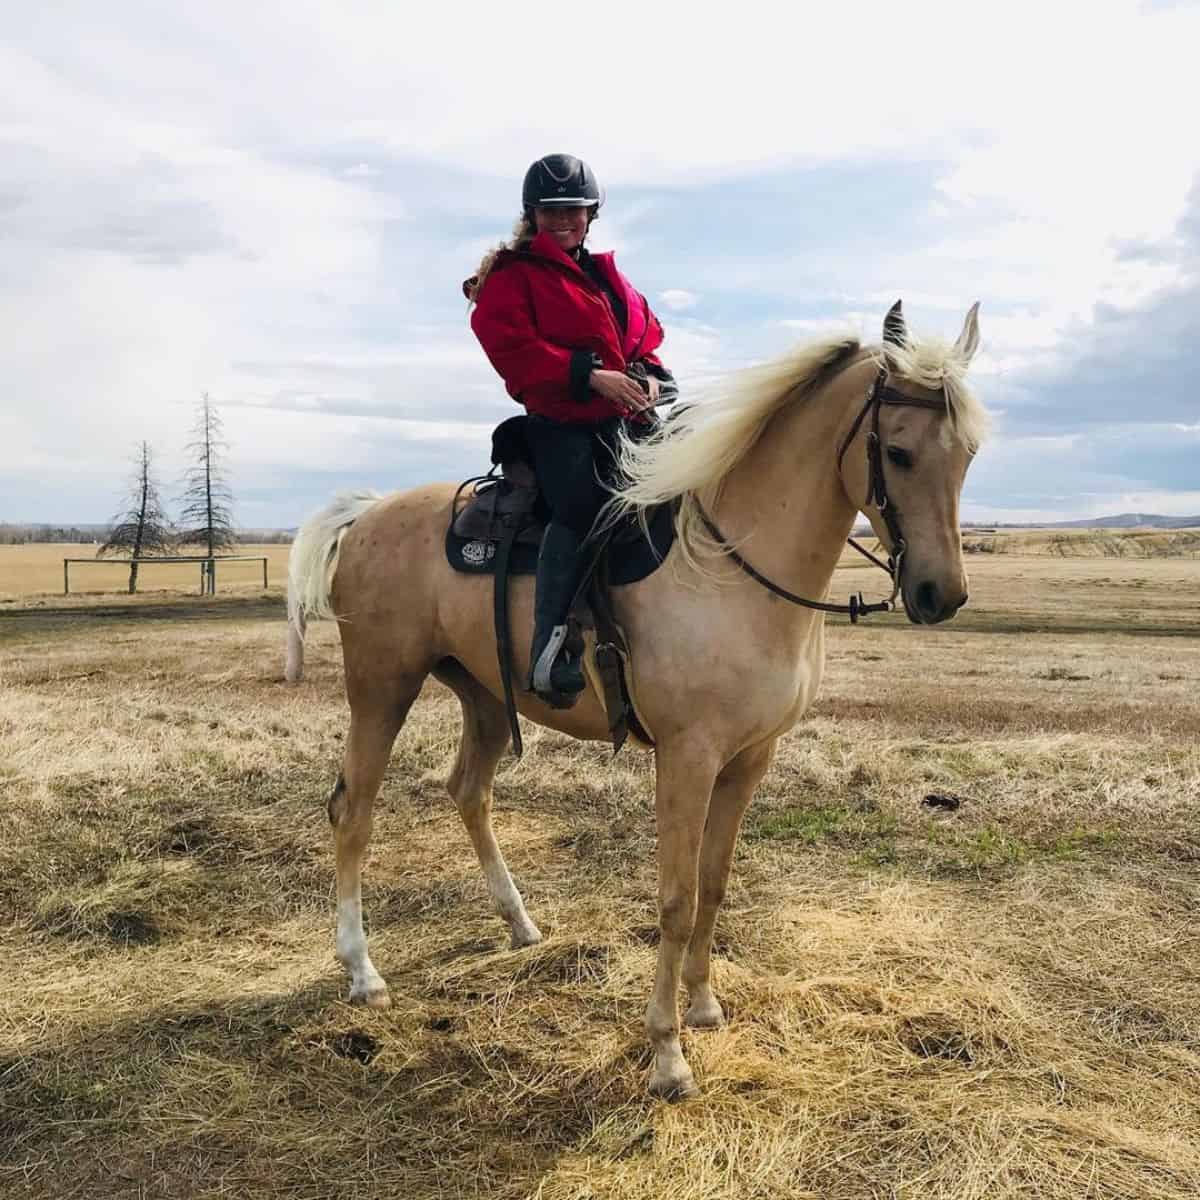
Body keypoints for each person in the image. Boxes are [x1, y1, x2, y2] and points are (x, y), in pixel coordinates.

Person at [465, 154, 677, 708]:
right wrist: (590, 377)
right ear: (533, 214)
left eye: (575, 210)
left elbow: (644, 341)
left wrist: (649, 379)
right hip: (561, 423)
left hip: (628, 418)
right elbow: (511, 348)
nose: (564, 220)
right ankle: (550, 642)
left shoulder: (609, 276)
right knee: (581, 506)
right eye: (552, 210)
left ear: (591, 214)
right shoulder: (513, 277)